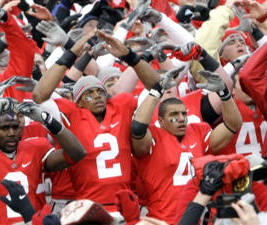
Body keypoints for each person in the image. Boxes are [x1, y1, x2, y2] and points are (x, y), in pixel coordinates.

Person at [32, 28, 163, 214]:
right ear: (77, 101)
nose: (97, 96)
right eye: (89, 94)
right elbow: (39, 95)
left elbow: (157, 85)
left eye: (100, 91)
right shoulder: (72, 114)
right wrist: (71, 54)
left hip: (124, 203)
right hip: (88, 205)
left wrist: (129, 55)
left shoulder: (120, 106)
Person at [0, 97, 86, 224]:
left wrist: (48, 120)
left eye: (15, 127)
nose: (12, 133)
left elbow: (77, 153)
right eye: (5, 128)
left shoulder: (35, 148)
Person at [130, 68, 242, 224]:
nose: (181, 118)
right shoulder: (153, 136)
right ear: (161, 121)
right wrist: (156, 91)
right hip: (162, 219)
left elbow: (233, 125)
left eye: (184, 114)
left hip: (197, 217)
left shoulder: (199, 131)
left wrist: (224, 93)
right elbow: (137, 128)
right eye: (174, 115)